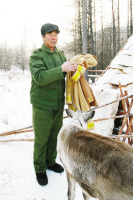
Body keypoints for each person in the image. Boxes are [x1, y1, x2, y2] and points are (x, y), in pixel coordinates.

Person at [29, 23, 78, 186]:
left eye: (56, 34)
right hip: (42, 105)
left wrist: (74, 67)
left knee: (54, 137)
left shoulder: (60, 54)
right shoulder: (37, 55)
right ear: (43, 37)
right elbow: (40, 78)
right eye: (50, 34)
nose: (53, 37)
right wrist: (61, 69)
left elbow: (66, 71)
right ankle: (40, 168)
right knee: (41, 139)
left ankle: (50, 162)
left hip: (57, 104)